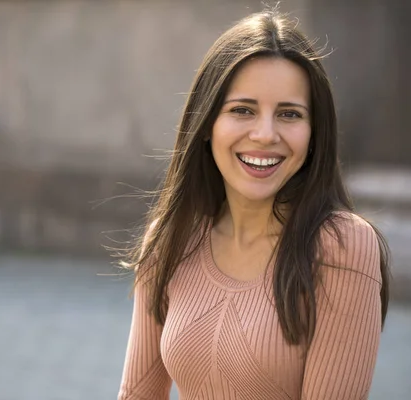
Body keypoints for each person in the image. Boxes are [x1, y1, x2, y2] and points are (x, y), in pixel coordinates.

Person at [118, 8, 390, 400]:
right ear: (207, 124)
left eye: (289, 114)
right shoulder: (170, 239)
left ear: (314, 134)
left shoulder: (343, 247)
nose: (265, 134)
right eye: (242, 110)